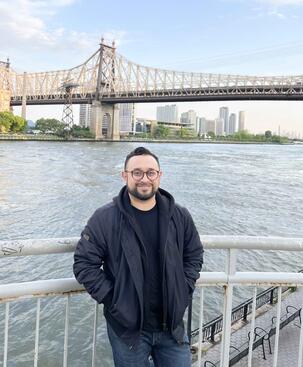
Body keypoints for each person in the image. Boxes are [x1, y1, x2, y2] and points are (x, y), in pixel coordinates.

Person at [73, 147, 203, 367]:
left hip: (171, 326)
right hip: (128, 329)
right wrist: (115, 300)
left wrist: (183, 287)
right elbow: (84, 264)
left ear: (159, 176)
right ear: (125, 176)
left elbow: (194, 254)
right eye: (137, 173)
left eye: (151, 172)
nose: (145, 179)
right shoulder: (105, 218)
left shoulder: (179, 215)